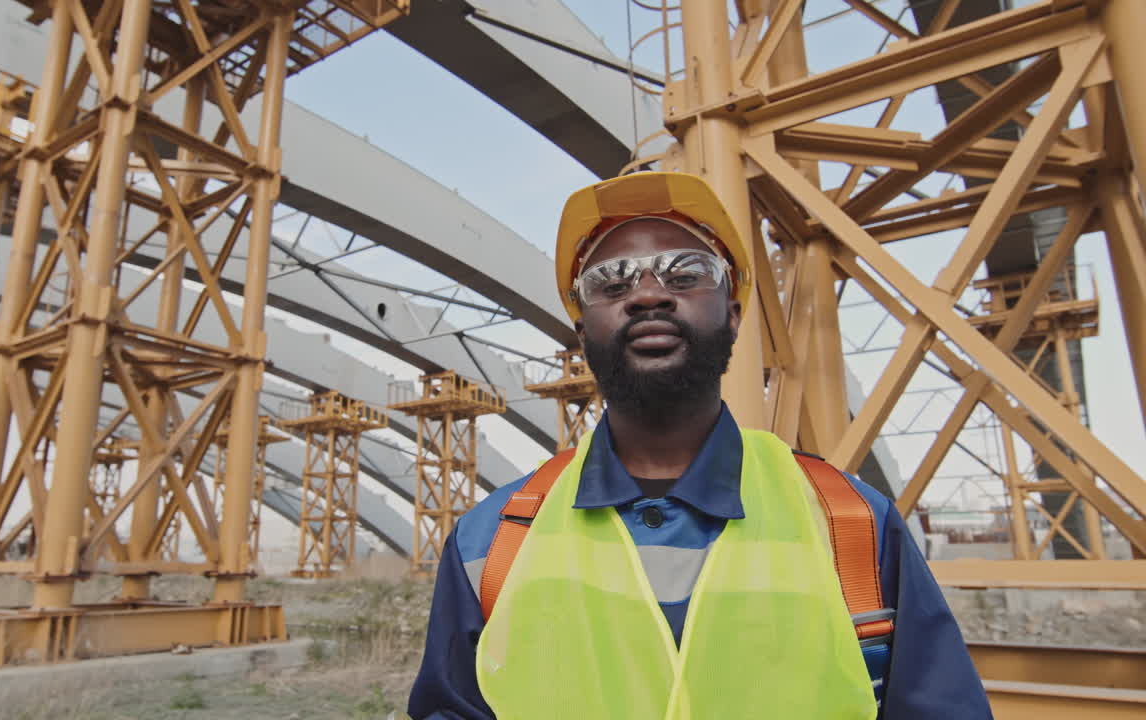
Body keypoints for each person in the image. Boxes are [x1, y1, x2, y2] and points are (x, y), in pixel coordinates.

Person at [407, 172, 992, 719]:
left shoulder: (850, 521)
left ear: (734, 317)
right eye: (611, 282)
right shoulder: (494, 540)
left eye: (685, 274)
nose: (648, 295)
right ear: (583, 332)